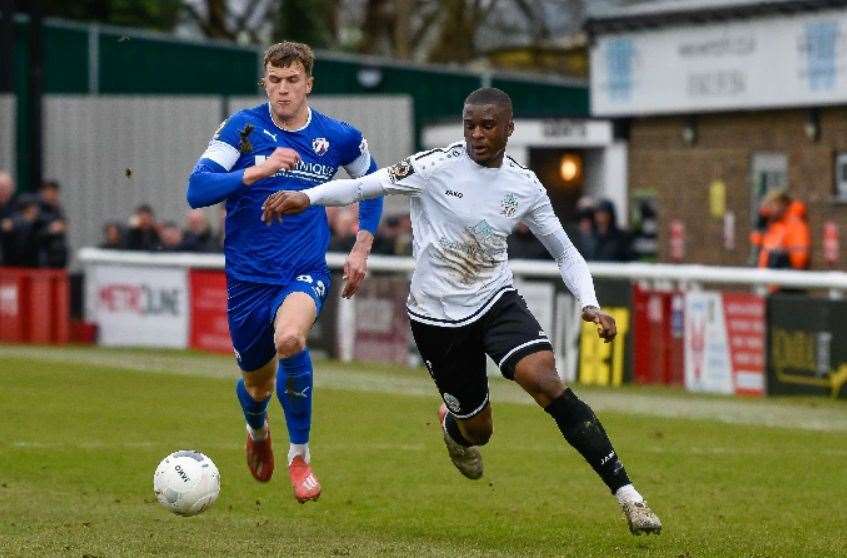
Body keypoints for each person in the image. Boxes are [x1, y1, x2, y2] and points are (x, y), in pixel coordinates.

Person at [261, 88, 661, 534]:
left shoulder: (525, 185)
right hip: (437, 319)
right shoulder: (433, 166)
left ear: (509, 128)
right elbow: (362, 186)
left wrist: (590, 304)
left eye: (487, 125)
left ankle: (630, 497)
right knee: (479, 432)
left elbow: (565, 252)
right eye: (469, 124)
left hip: (495, 300)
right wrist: (307, 198)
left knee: (545, 381)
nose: (476, 133)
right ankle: (454, 426)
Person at [186, 41, 383, 503]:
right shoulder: (243, 128)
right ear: (265, 82)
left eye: (292, 80)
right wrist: (255, 173)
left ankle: (300, 457)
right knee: (257, 386)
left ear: (308, 84)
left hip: (303, 270)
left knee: (290, 339)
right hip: (247, 282)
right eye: (274, 80)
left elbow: (373, 186)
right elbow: (197, 190)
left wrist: (361, 244)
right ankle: (257, 428)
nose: (282, 90)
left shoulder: (339, 137)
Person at [752, 190, 810, 270]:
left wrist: (782, 260)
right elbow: (757, 241)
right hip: (769, 277)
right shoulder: (774, 224)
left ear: (782, 204)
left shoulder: (795, 224)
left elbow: (799, 257)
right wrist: (761, 222)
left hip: (784, 278)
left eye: (772, 206)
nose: (769, 210)